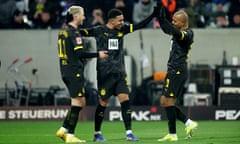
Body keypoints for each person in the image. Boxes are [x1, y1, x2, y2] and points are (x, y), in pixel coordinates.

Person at [79, 7, 159, 142]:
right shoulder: (98, 31)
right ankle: (97, 133)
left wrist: (153, 15)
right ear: (112, 21)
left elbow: (140, 25)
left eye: (122, 20)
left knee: (125, 100)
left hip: (120, 73)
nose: (122, 22)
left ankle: (129, 133)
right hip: (105, 74)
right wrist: (69, 27)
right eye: (120, 20)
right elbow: (80, 32)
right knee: (103, 103)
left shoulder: (123, 30)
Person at [55, 6, 108, 143]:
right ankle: (70, 135)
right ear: (76, 16)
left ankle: (64, 129)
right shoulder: (74, 33)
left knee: (80, 101)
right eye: (83, 15)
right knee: (78, 102)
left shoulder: (63, 31)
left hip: (66, 70)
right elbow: (80, 54)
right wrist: (98, 54)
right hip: (73, 71)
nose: (84, 17)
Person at [156, 7, 198, 142]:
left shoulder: (187, 34)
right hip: (172, 70)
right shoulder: (176, 32)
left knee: (168, 102)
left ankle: (187, 124)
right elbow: (168, 29)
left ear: (183, 23)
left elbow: (174, 31)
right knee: (164, 102)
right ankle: (174, 132)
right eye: (172, 20)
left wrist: (164, 20)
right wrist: (160, 19)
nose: (173, 23)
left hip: (178, 70)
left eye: (175, 21)